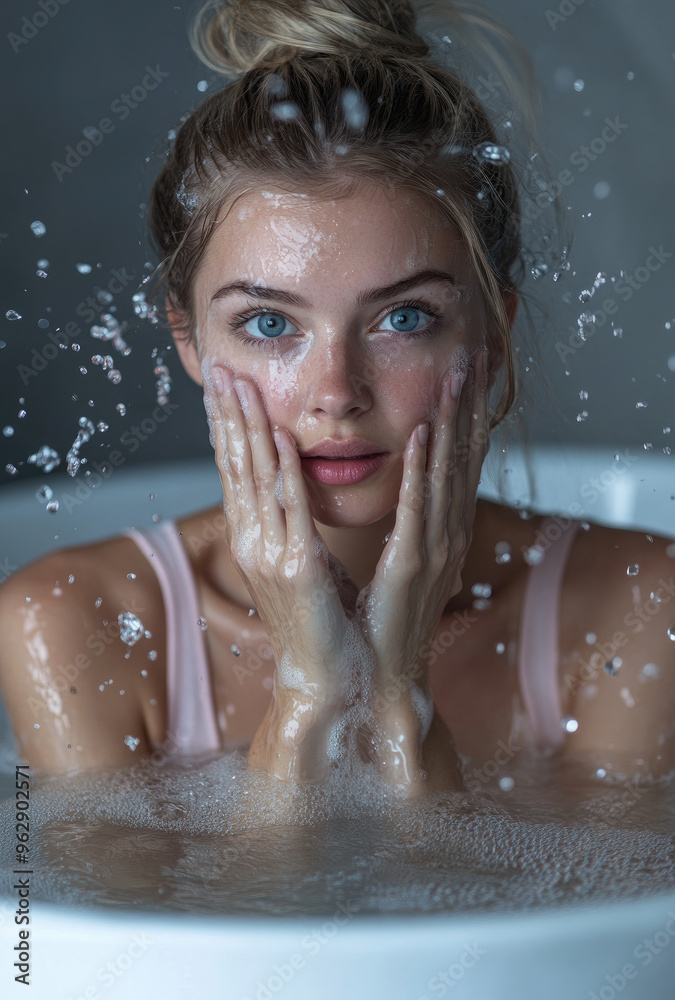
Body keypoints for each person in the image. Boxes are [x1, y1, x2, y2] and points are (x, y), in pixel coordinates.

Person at [1, 0, 673, 798]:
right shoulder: (68, 624)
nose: (335, 395)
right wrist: (309, 694)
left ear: (490, 336)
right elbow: (182, 928)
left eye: (403, 317)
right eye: (266, 322)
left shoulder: (638, 605)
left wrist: (396, 689)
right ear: (187, 340)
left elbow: (527, 926)